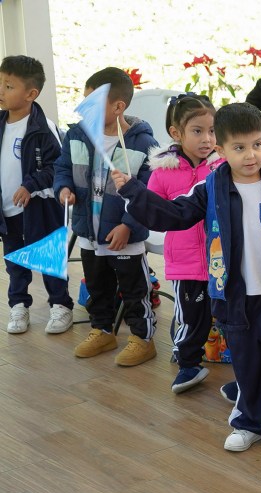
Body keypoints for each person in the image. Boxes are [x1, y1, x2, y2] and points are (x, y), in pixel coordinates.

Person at [113, 102, 261, 460]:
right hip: (235, 295)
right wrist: (134, 192)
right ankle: (248, 423)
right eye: (238, 148)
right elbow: (173, 214)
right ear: (220, 150)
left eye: (256, 145)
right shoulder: (210, 188)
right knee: (246, 363)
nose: (249, 155)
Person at [55, 67, 158, 366]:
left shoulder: (143, 143)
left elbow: (150, 194)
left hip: (124, 235)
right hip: (89, 231)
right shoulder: (76, 135)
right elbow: (62, 168)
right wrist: (63, 189)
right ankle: (102, 330)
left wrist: (129, 226)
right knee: (97, 287)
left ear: (118, 107)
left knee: (134, 289)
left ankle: (142, 337)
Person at [146, 93, 223, 393]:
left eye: (213, 130)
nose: (207, 139)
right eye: (198, 131)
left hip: (222, 259)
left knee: (229, 314)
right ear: (176, 133)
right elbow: (155, 212)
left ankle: (243, 365)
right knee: (191, 318)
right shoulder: (163, 171)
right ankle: (188, 362)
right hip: (186, 263)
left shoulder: (222, 166)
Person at [0, 55, 74, 335]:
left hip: (39, 209)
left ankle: (61, 305)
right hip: (7, 211)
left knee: (47, 257)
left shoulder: (44, 129)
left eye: (8, 86)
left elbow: (58, 166)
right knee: (14, 261)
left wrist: (30, 184)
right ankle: (19, 305)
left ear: (31, 94)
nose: (0, 91)